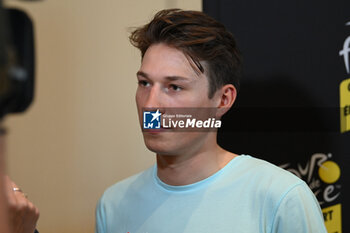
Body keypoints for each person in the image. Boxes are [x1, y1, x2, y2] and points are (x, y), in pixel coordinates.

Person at [95, 9, 327, 233]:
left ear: (223, 100)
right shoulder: (114, 205)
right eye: (144, 83)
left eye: (174, 87)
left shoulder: (279, 198)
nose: (151, 105)